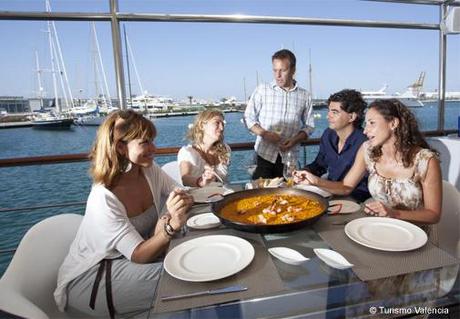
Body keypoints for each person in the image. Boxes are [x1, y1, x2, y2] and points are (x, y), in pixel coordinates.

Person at [54, 110, 193, 317]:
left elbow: (181, 193)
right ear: (120, 147)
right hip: (94, 276)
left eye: (152, 141)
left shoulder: (149, 170)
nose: (154, 148)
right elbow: (139, 255)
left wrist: (166, 217)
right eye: (144, 142)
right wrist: (170, 226)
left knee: (188, 268)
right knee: (184, 278)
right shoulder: (104, 196)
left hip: (131, 263)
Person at [294, 99, 442, 231]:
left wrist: (394, 214)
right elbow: (346, 187)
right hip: (378, 229)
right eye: (365, 124)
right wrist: (314, 181)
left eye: (372, 123)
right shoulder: (368, 151)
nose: (365, 130)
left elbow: (433, 215)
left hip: (414, 235)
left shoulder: (426, 161)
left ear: (393, 123)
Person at [244, 49, 314, 179]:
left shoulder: (305, 96)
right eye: (275, 70)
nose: (278, 75)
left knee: (287, 197)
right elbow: (248, 117)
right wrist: (265, 134)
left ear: (293, 70)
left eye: (283, 70)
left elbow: (309, 126)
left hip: (289, 159)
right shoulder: (262, 90)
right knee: (260, 196)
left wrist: (294, 140)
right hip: (263, 157)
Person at [295, 89, 370, 202]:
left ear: (352, 117)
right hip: (330, 191)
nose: (328, 116)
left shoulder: (364, 143)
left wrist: (316, 181)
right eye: (329, 111)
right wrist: (304, 172)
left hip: (356, 198)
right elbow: (319, 165)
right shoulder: (328, 135)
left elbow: (347, 188)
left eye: (335, 112)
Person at [178, 109, 231, 187]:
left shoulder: (225, 149)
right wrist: (201, 182)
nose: (222, 128)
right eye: (217, 123)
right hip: (198, 198)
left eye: (222, 124)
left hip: (223, 196)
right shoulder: (188, 153)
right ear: (202, 126)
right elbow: (185, 178)